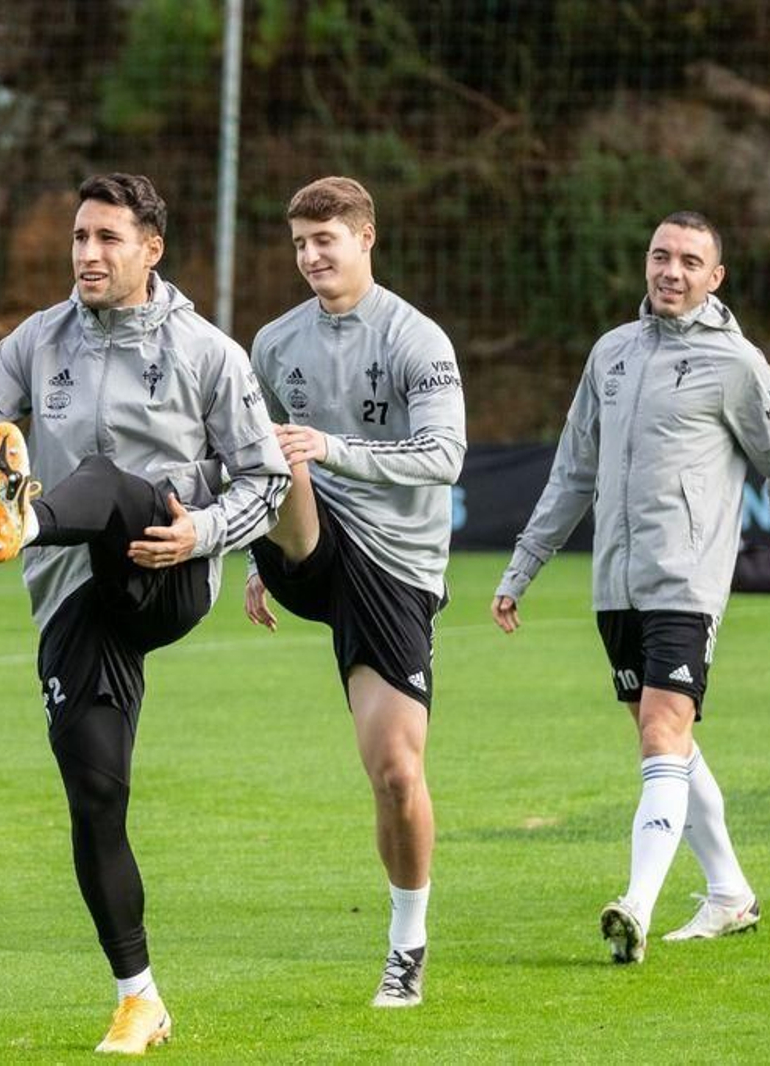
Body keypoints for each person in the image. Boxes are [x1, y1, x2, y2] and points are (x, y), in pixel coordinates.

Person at [0, 173, 289, 1054]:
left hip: (163, 566)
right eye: (80, 238)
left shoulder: (209, 352)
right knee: (94, 794)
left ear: (151, 250)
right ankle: (140, 998)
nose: (88, 255)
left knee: (105, 478)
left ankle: (29, 518)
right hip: (74, 595)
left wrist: (202, 531)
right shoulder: (38, 339)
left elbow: (269, 482)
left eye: (108, 240)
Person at [491, 211, 770, 964]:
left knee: (660, 733)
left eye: (689, 260)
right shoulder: (611, 353)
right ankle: (729, 894)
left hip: (687, 582)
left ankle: (636, 906)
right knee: (669, 743)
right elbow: (572, 472)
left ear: (715, 278)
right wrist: (523, 567)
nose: (670, 271)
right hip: (615, 585)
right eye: (660, 256)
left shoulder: (738, 364)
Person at [242, 177, 465, 1008]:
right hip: (310, 545)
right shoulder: (274, 343)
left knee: (396, 772)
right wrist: (255, 559)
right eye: (299, 243)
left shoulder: (417, 339)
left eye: (325, 240)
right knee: (269, 445)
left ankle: (407, 943)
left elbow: (445, 456)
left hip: (396, 568)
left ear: (366, 238)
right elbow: (260, 460)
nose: (310, 257)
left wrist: (333, 448)